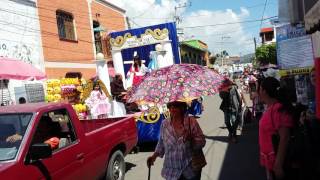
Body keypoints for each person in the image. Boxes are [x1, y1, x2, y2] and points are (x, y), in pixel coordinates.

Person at [147, 101, 206, 180]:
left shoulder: (191, 122)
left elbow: (202, 142)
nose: (172, 109)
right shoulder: (165, 124)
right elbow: (161, 143)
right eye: (170, 106)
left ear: (182, 107)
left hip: (190, 169)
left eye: (175, 106)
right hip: (172, 171)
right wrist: (154, 156)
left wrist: (191, 138)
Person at [258, 77, 294, 180]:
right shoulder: (271, 107)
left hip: (278, 162)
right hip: (270, 161)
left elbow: (285, 137)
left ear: (264, 91)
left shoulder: (278, 109)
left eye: (260, 89)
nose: (259, 92)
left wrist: (278, 164)